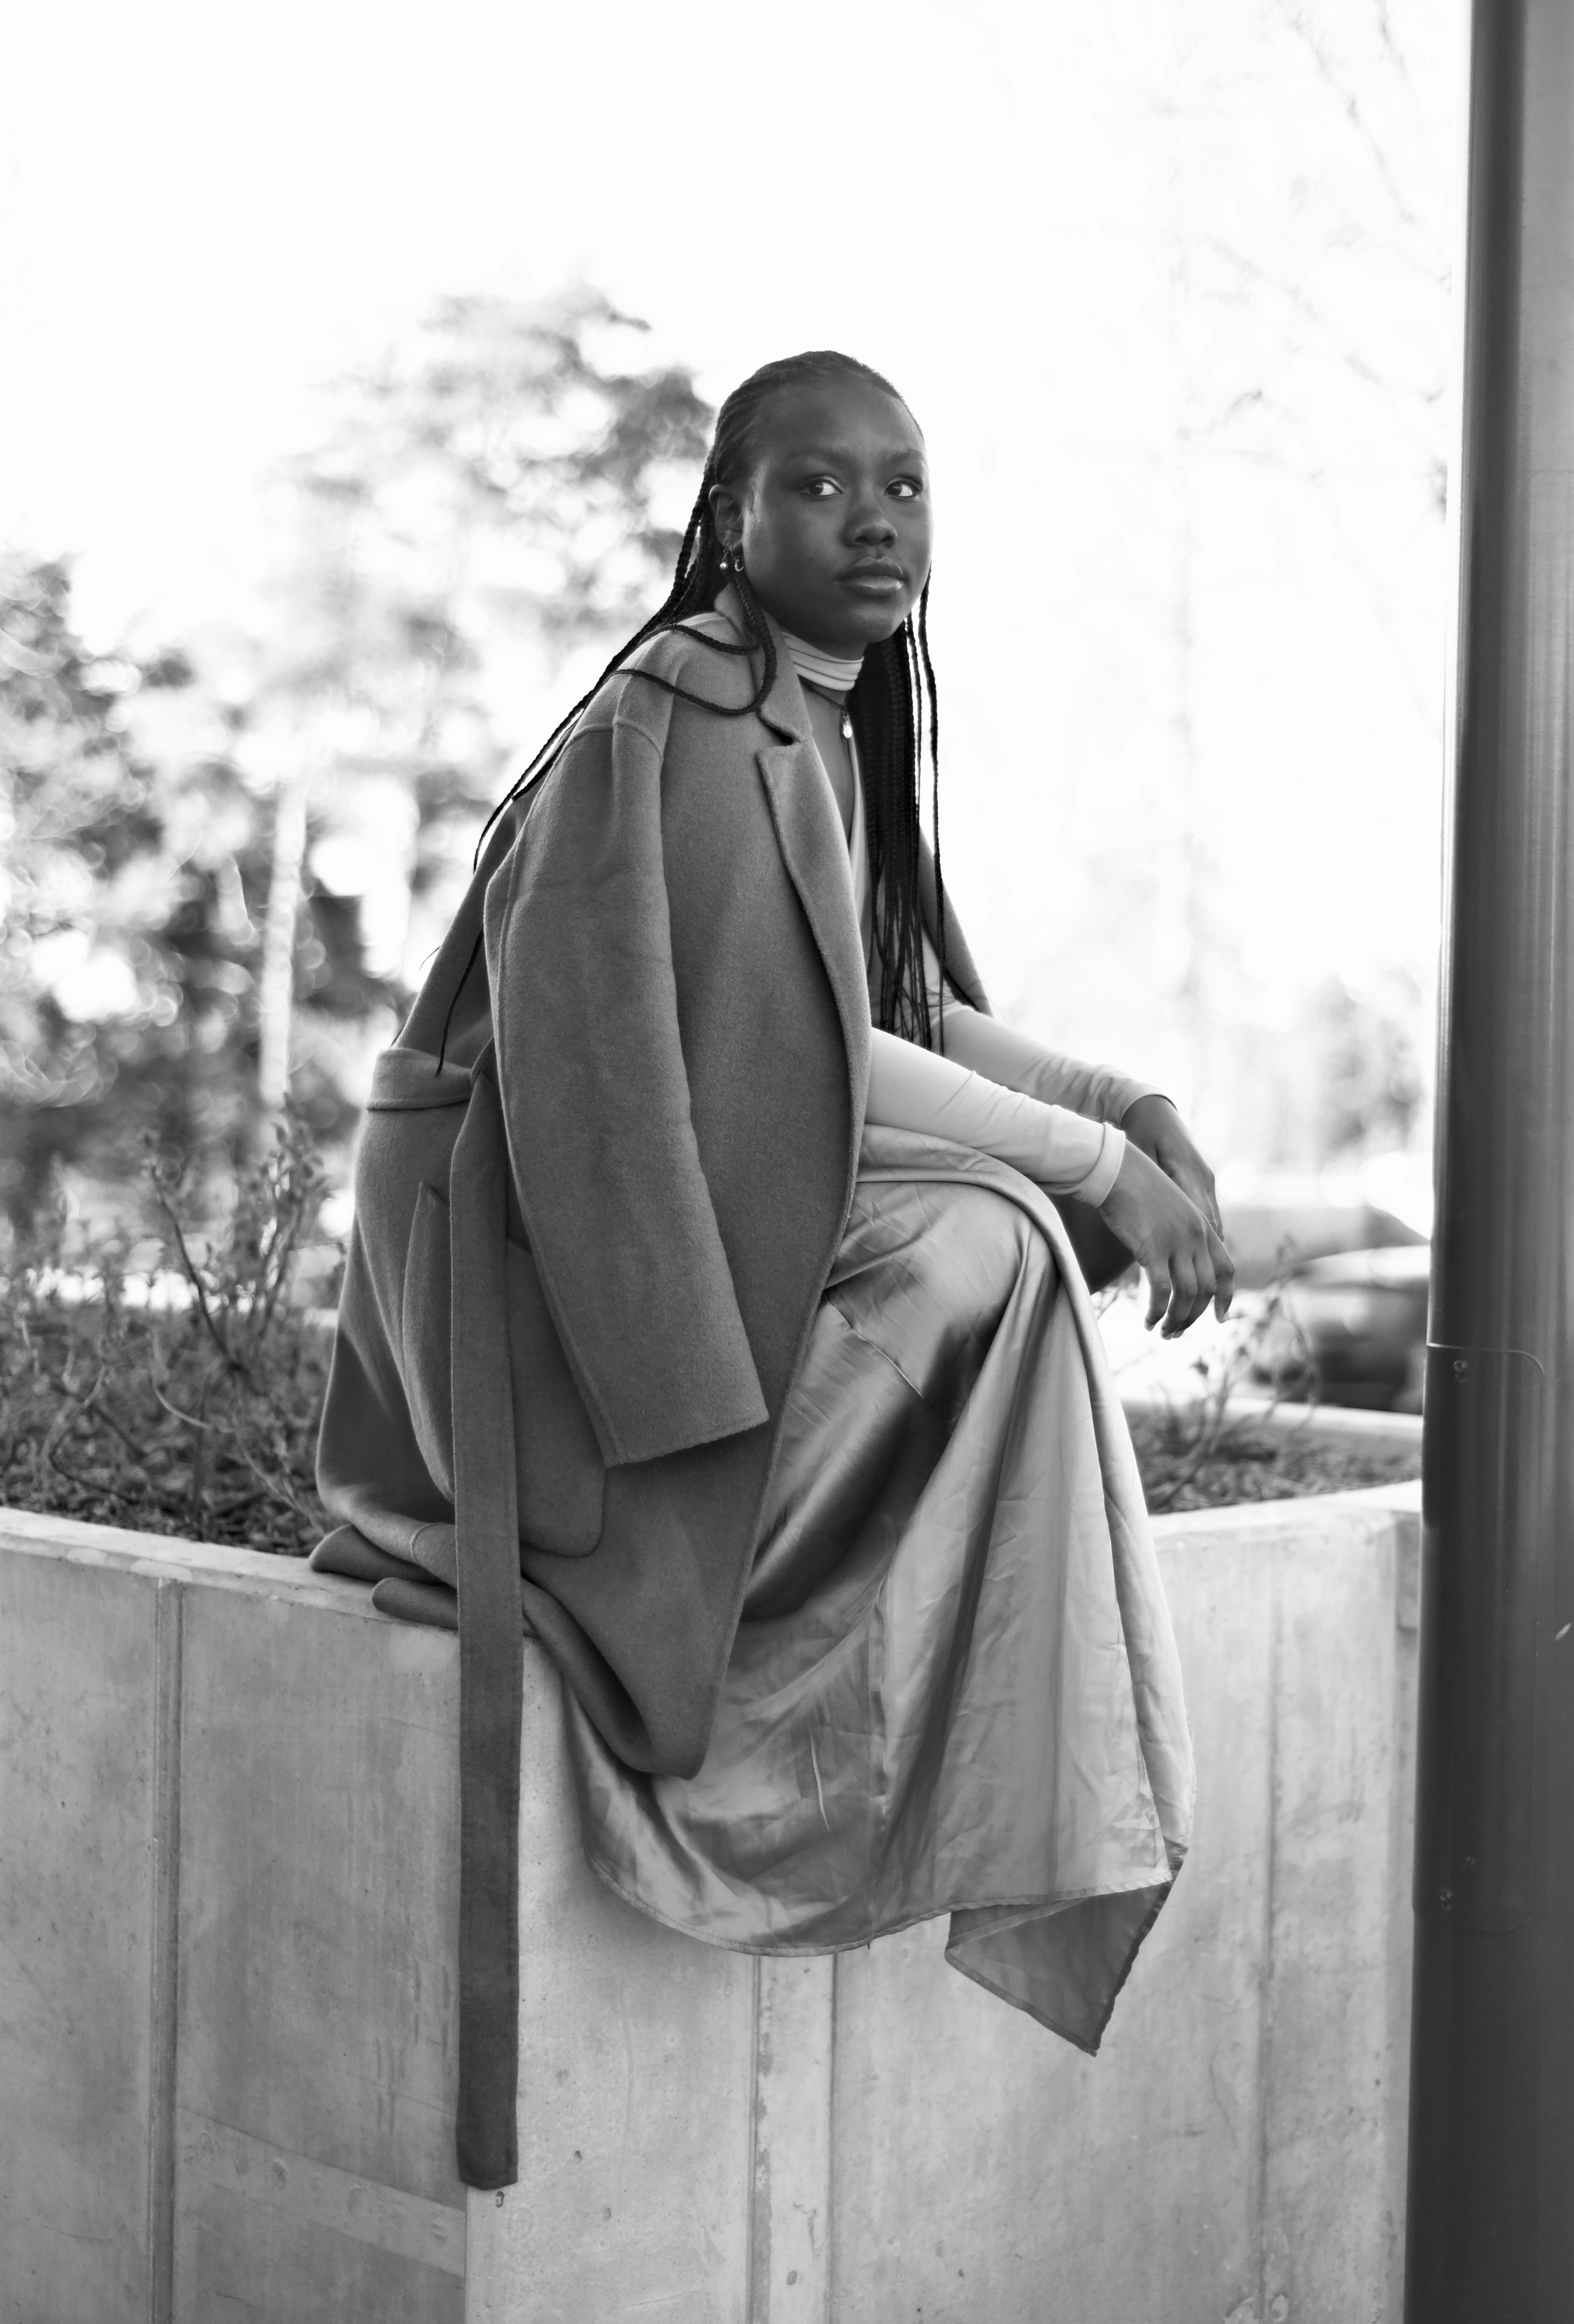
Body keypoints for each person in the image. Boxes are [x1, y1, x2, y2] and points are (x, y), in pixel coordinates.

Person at [312, 350, 1234, 2191]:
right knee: (997, 1235)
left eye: (905, 483)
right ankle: (741, 1637)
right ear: (727, 519)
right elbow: (803, 1065)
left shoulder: (822, 716)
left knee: (1005, 1235)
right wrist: (1096, 1166)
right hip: (547, 1313)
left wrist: (1128, 1106)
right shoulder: (682, 713)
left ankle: (880, 1682)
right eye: (819, 484)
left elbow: (897, 1008)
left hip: (680, 1257)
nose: (875, 516)